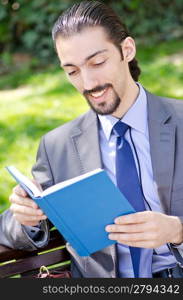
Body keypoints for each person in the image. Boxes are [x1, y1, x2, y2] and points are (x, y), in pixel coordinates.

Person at [2, 1, 183, 278]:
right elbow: (9, 228)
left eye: (97, 62)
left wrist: (177, 231)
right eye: (72, 71)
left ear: (127, 50)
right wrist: (25, 216)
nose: (87, 83)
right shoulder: (57, 148)